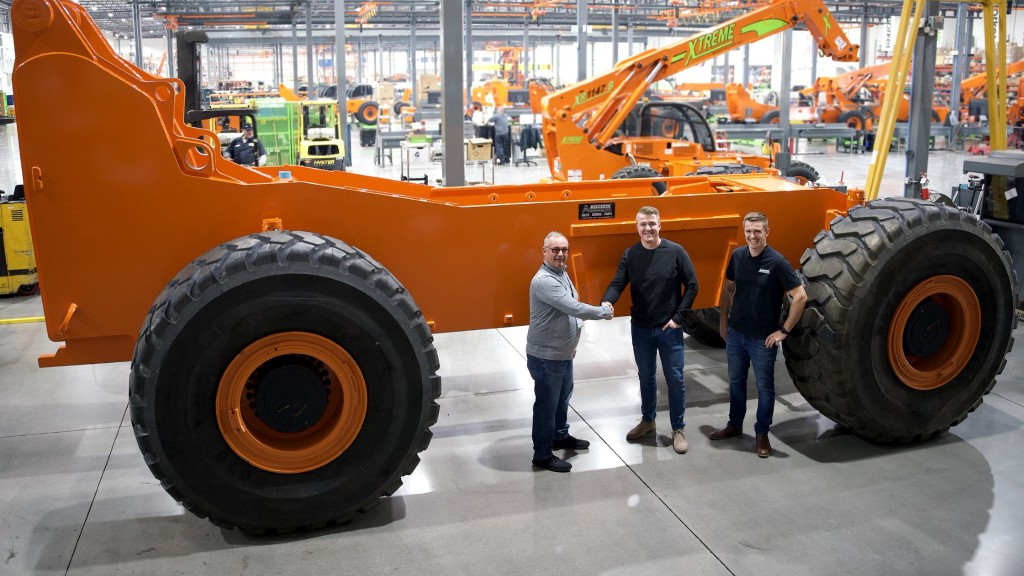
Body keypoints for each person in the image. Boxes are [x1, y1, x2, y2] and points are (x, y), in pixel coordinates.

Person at [710, 211, 807, 458]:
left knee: (765, 388)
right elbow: (728, 287)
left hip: (762, 339)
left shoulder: (777, 262)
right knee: (735, 383)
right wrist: (723, 321)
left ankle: (761, 433)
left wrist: (784, 331)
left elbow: (801, 296)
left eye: (757, 231)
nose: (752, 236)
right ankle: (734, 425)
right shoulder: (738, 256)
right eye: (748, 231)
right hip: (736, 333)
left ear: (766, 232)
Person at [602, 206, 698, 454]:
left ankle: (678, 429)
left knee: (675, 379)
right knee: (645, 377)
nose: (648, 228)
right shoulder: (630, 254)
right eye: (643, 224)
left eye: (652, 224)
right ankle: (648, 421)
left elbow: (693, 285)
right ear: (637, 227)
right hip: (641, 329)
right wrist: (607, 301)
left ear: (659, 225)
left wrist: (678, 318)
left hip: (669, 329)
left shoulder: (675, 251)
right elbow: (617, 283)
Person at [527, 232, 614, 473]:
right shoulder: (544, 280)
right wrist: (603, 311)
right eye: (555, 249)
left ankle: (559, 436)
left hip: (562, 354)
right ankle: (542, 455)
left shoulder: (562, 273)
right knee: (546, 405)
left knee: (561, 399)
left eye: (564, 249)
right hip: (546, 357)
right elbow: (572, 307)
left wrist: (572, 344)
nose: (560, 254)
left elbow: (568, 314)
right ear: (544, 251)